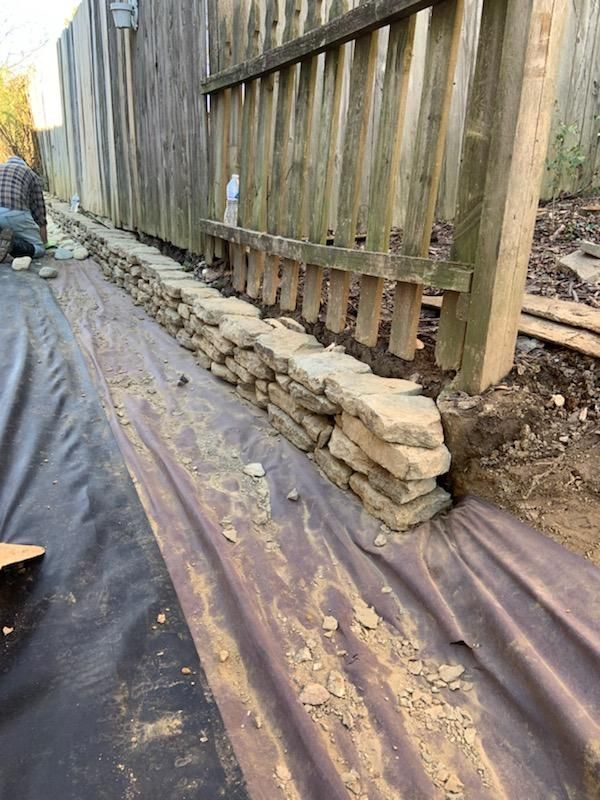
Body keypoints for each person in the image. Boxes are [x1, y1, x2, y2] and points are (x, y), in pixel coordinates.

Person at [0, 156, 48, 262]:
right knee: (39, 249)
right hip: (12, 211)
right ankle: (14, 245)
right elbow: (39, 212)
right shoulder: (30, 174)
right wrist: (44, 243)